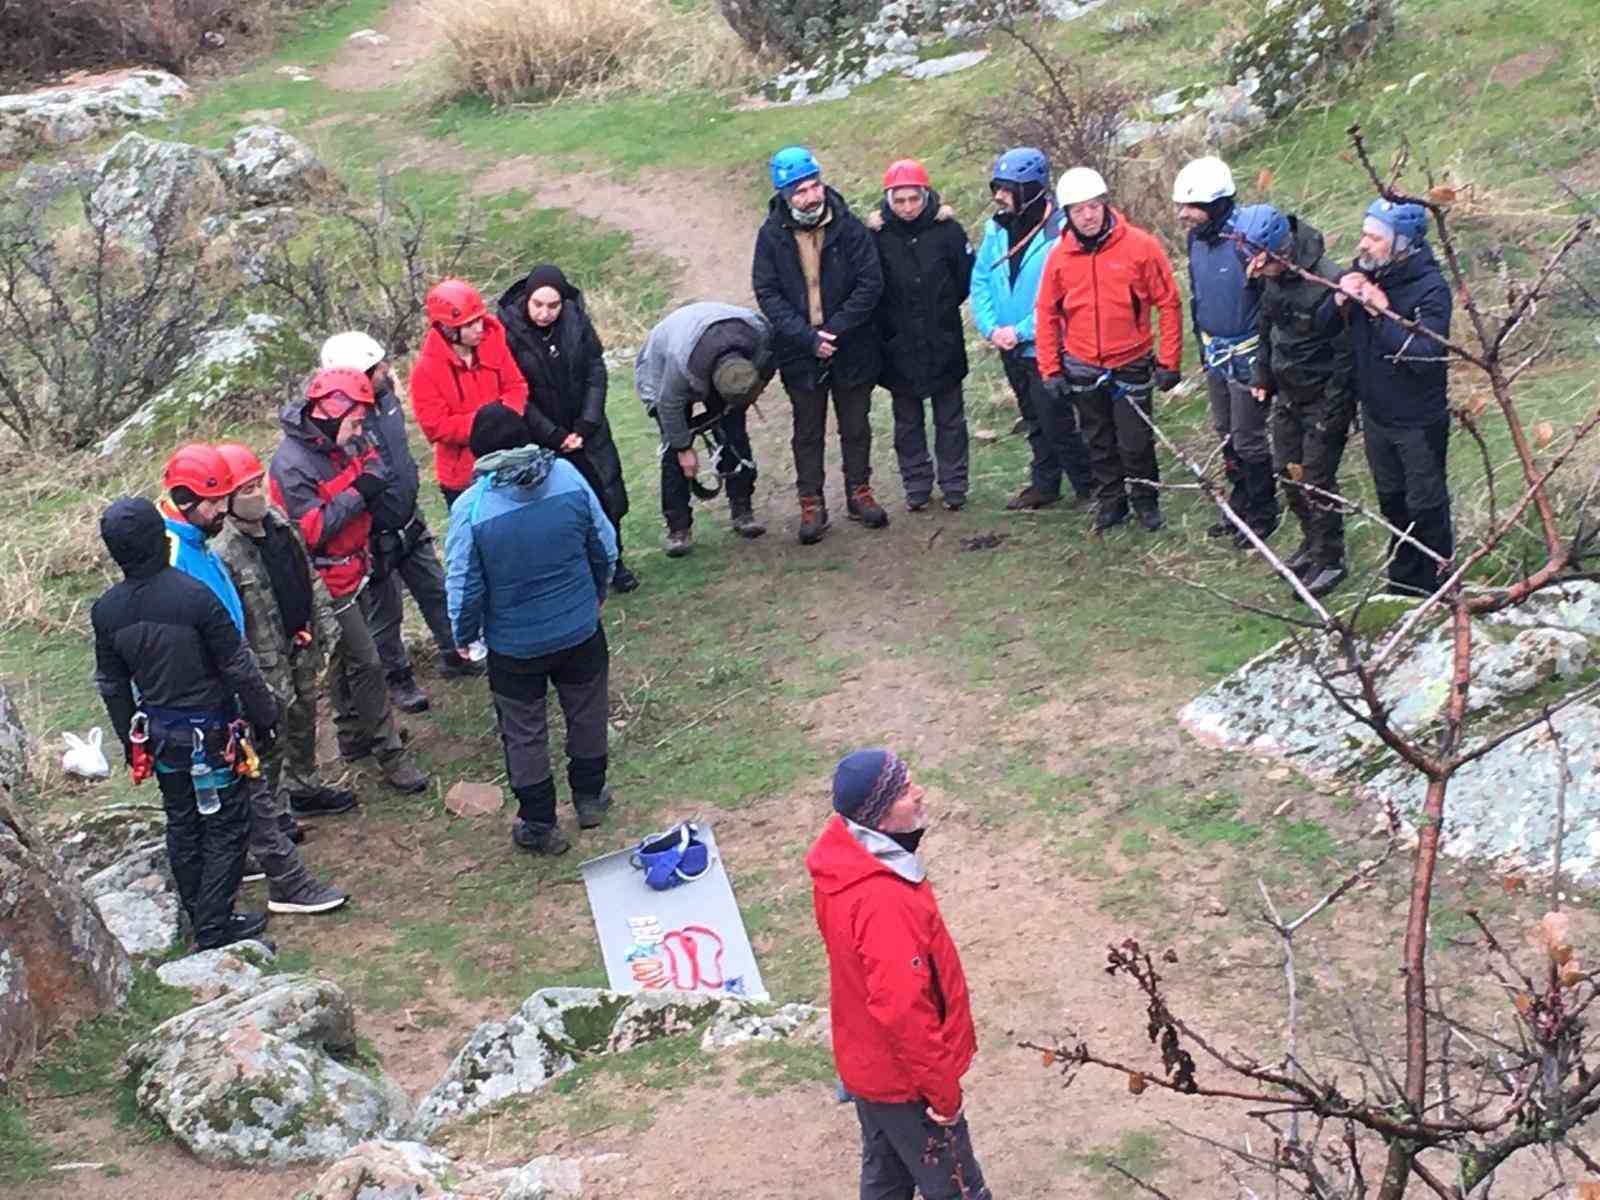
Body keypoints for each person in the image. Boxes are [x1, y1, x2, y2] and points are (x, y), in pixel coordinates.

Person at [92, 490, 279, 952]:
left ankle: (205, 916)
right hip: (213, 735)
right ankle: (214, 928)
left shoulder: (107, 611)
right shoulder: (194, 598)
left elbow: (113, 685)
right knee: (227, 824)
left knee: (183, 823)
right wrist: (267, 715)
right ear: (160, 539)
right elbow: (238, 666)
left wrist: (131, 741)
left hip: (161, 737)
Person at [805, 747, 990, 1200]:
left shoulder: (840, 865)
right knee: (960, 1190)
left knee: (886, 1183)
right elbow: (903, 1008)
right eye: (906, 790)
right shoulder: (881, 900)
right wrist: (942, 1093)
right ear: (880, 815)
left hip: (868, 1065)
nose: (919, 793)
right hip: (906, 1080)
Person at [445, 404, 618, 856]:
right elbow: (603, 543)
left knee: (524, 732)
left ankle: (539, 824)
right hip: (579, 628)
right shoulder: (567, 477)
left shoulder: (472, 507)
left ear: (480, 453)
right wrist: (598, 590)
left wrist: (463, 636)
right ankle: (589, 798)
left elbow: (464, 583)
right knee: (587, 713)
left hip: (514, 646)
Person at [209, 442, 352, 917]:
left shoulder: (279, 524)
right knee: (267, 744)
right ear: (226, 498)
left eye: (257, 484)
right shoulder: (223, 550)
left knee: (305, 717)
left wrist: (323, 624)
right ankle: (270, 819)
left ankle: (306, 786)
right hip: (264, 662)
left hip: (300, 644)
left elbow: (306, 576)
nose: (255, 494)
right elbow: (232, 621)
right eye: (244, 489)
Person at [270, 367, 429, 794]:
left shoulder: (347, 437)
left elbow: (373, 463)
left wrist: (365, 482)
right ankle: (390, 753)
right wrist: (361, 491)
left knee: (345, 656)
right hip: (324, 577)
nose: (362, 431)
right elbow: (312, 529)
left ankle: (352, 733)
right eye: (356, 421)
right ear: (330, 413)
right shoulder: (291, 464)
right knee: (368, 660)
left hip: (358, 563)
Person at [320, 332, 481, 717]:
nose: (388, 371)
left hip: (409, 518)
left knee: (436, 589)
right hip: (373, 535)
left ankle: (454, 652)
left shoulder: (387, 398)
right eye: (378, 368)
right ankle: (399, 679)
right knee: (384, 613)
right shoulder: (340, 427)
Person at [1036, 167, 1184, 532]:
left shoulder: (1141, 246)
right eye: (1078, 210)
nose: (1087, 216)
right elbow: (1047, 312)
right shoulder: (1058, 257)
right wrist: (1050, 369)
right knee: (1098, 441)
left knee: (1135, 442)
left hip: (1131, 362)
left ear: (1105, 205)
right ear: (1067, 215)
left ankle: (1146, 502)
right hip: (1082, 363)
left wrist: (1169, 360)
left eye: (1093, 207)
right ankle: (1111, 503)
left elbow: (1168, 302)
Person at [752, 145, 887, 543]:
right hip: (799, 349)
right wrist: (807, 338)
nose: (811, 196)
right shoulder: (770, 235)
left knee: (856, 424)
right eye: (800, 191)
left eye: (814, 186)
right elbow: (767, 291)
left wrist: (836, 331)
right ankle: (811, 502)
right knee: (807, 430)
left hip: (852, 343)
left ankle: (859, 492)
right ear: (785, 195)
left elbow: (870, 282)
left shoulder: (849, 227)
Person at [1320, 198, 1454, 596]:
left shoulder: (1431, 288)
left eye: (1374, 238)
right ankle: (1402, 582)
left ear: (1402, 244)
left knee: (1426, 506)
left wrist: (1382, 313)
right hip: (1377, 415)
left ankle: (1437, 584)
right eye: (1364, 234)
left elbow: (1426, 357)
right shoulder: (1367, 270)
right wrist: (1339, 298)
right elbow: (1324, 327)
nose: (1363, 245)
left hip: (1417, 422)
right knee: (1393, 502)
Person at [1235, 204, 1357, 598]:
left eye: (1259, 260)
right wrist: (1262, 374)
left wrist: (1332, 416)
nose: (1253, 269)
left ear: (1281, 251)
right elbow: (1267, 327)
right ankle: (1311, 543)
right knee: (1287, 472)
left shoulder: (1328, 283)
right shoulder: (1273, 279)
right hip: (1287, 393)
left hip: (1324, 399)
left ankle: (1331, 559)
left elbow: (1346, 360)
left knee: (1317, 478)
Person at [496, 264, 637, 593]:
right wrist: (554, 435)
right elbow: (515, 391)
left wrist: (586, 424)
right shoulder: (505, 332)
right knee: (558, 506)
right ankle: (577, 571)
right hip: (543, 436)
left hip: (587, 428)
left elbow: (595, 370)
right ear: (527, 300)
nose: (545, 313)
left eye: (553, 306)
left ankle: (615, 561)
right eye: (538, 305)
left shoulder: (577, 320)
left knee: (607, 493)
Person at [971, 146, 1093, 511]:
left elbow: (1066, 298)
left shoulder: (1060, 234)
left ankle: (1090, 487)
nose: (999, 196)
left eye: (1008, 189)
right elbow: (981, 279)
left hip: (1046, 347)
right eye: (998, 187)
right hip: (1009, 346)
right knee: (1033, 420)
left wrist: (1020, 331)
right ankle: (1045, 484)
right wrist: (991, 327)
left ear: (1031, 190)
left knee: (1058, 422)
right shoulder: (996, 229)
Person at [1174, 156, 1278, 547]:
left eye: (1192, 207)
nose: (1185, 215)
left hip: (1248, 356)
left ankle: (1263, 511)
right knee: (1225, 431)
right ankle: (1239, 501)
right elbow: (1200, 295)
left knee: (1248, 436)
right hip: (1216, 352)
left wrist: (1265, 366)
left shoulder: (1246, 242)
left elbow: (1269, 305)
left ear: (1217, 205)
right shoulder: (1197, 241)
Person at [867, 158, 975, 512]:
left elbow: (964, 281)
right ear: (888, 200)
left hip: (943, 340)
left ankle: (954, 484)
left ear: (926, 195)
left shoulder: (949, 232)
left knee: (951, 418)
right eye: (900, 201)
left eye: (914, 199)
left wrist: (939, 311)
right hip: (898, 346)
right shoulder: (877, 237)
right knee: (907, 422)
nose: (908, 207)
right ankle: (916, 485)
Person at [634, 301, 774, 556]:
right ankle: (678, 529)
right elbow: (669, 405)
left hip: (719, 343)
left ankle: (742, 509)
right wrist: (683, 448)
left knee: (734, 434)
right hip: (664, 363)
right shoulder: (679, 365)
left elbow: (766, 368)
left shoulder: (760, 339)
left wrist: (750, 392)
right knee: (674, 452)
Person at [409, 277, 529, 509]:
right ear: (447, 328)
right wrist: (489, 425)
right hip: (463, 476)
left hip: (509, 459)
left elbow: (516, 386)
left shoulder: (494, 344)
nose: (479, 329)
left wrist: (504, 421)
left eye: (480, 320)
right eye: (470, 324)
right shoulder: (426, 371)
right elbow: (436, 426)